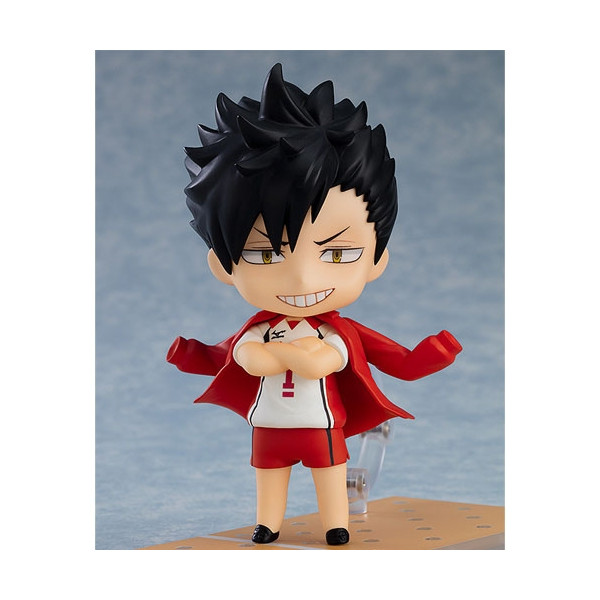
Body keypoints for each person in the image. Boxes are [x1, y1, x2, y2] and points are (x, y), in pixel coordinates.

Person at [167, 64, 462, 546]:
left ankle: (335, 523)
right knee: (269, 475)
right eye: (265, 254)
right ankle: (268, 523)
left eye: (338, 253)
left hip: (324, 425)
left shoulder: (333, 335)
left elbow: (368, 362)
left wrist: (437, 352)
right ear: (222, 265)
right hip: (269, 426)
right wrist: (188, 353)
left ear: (377, 259)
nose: (303, 279)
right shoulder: (256, 332)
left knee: (330, 474)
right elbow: (231, 357)